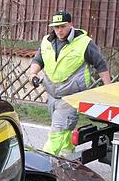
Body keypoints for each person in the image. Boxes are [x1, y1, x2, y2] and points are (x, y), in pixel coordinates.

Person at [26, 10, 112, 158]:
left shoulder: (84, 43)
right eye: (56, 27)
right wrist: (33, 73)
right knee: (64, 128)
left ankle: (43, 161)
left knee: (57, 131)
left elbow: (100, 64)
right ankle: (68, 157)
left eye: (63, 26)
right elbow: (38, 60)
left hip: (71, 96)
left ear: (71, 25)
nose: (59, 30)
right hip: (52, 94)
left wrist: (108, 88)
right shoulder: (47, 41)